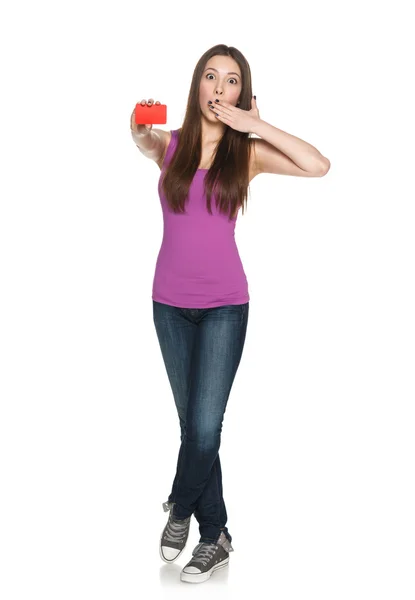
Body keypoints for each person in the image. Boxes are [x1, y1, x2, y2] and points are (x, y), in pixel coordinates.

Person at [130, 44, 330, 585]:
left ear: (243, 92)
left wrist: (252, 126)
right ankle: (216, 536)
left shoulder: (246, 154)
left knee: (202, 428)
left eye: (232, 81)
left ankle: (179, 508)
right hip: (168, 305)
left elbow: (318, 165)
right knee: (196, 427)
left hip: (224, 306)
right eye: (211, 77)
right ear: (197, 85)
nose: (219, 87)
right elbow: (144, 137)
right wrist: (139, 124)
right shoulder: (169, 146)